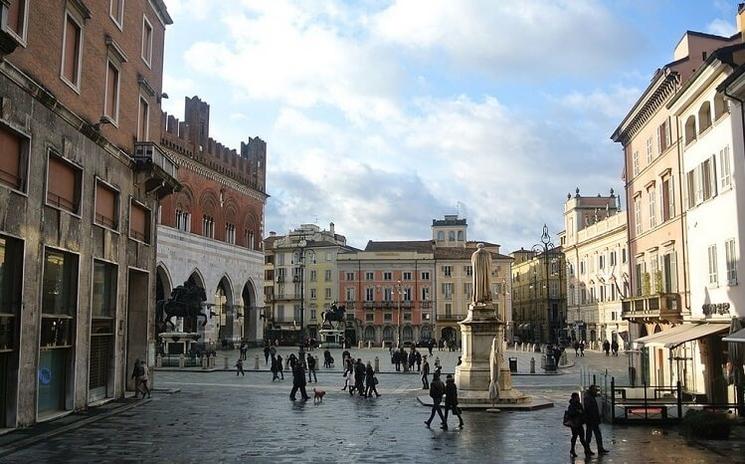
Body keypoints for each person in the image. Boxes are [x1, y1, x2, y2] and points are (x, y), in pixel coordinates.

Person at [564, 392, 593, 458]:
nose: (579, 398)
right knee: (575, 437)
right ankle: (574, 450)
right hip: (574, 424)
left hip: (579, 423)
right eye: (577, 397)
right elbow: (571, 413)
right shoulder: (572, 405)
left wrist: (582, 413)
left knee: (581, 438)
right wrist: (578, 412)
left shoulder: (578, 404)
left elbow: (582, 412)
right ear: (574, 398)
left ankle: (586, 450)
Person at [584, 385, 609, 454]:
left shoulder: (589, 397)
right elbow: (589, 409)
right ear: (592, 390)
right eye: (595, 390)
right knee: (591, 435)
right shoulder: (588, 398)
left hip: (592, 419)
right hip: (591, 419)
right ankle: (589, 449)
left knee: (595, 434)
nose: (596, 392)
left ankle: (599, 448)